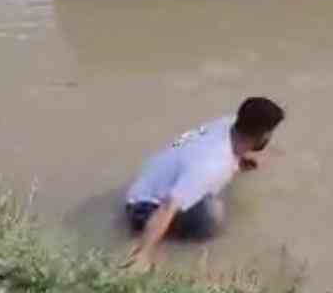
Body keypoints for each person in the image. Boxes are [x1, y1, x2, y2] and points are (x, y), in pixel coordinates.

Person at [122, 96, 284, 272]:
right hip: (143, 208)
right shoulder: (211, 166)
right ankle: (150, 244)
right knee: (212, 218)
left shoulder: (226, 123)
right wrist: (143, 253)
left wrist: (239, 161)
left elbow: (187, 141)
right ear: (264, 135)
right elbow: (168, 206)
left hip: (149, 178)